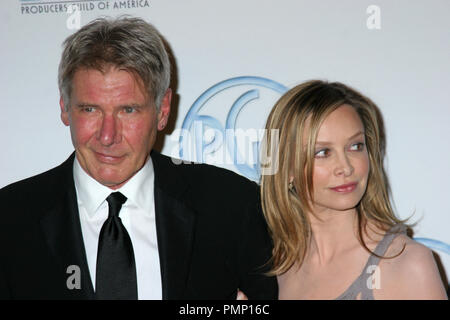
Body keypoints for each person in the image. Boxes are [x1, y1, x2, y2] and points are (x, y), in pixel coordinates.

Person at [0, 16, 277, 300]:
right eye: (90, 110)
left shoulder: (233, 207)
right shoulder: (9, 220)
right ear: (64, 106)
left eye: (128, 110)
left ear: (163, 110)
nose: (108, 136)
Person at [260, 80, 448, 299]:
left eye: (355, 146)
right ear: (287, 167)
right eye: (322, 152)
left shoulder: (406, 263)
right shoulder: (274, 268)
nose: (346, 167)